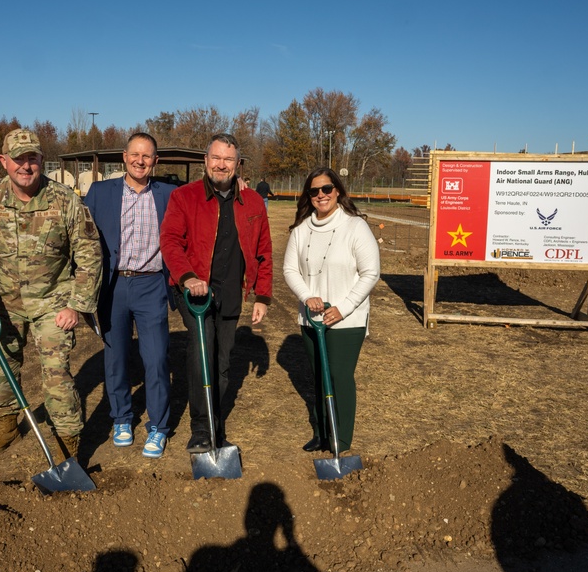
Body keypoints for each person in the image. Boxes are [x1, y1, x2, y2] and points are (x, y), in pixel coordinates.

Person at [0, 128, 102, 460]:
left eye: (32, 158)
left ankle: (69, 447)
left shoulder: (65, 200)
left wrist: (77, 306)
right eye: (19, 159)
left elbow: (89, 253)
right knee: (1, 367)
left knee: (56, 375)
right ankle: (7, 427)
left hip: (53, 302)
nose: (26, 166)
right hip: (3, 304)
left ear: (41, 160)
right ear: (4, 161)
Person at [160, 133, 273, 453]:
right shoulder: (185, 196)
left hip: (232, 293)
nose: (221, 165)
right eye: (216, 158)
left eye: (228, 160)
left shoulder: (251, 202)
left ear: (238, 165)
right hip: (195, 293)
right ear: (205, 161)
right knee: (202, 356)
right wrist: (188, 276)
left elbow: (264, 250)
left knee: (222, 363)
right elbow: (169, 241)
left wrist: (263, 295)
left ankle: (214, 420)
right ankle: (200, 429)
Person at [83, 133, 176, 459]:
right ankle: (122, 418)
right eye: (135, 154)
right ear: (124, 157)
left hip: (152, 285)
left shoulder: (169, 195)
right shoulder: (99, 193)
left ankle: (159, 426)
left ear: (156, 161)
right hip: (114, 286)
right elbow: (81, 239)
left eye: (147, 156)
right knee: (117, 356)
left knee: (156, 358)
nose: (140, 160)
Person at [282, 167, 380, 453]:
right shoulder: (301, 230)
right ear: (308, 196)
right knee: (319, 377)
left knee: (338, 375)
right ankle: (321, 432)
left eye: (327, 189)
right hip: (311, 319)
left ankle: (341, 437)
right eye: (314, 191)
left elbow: (370, 272)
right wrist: (307, 295)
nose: (321, 195)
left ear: (338, 191)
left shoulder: (355, 227)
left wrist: (344, 308)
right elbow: (290, 269)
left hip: (347, 320)